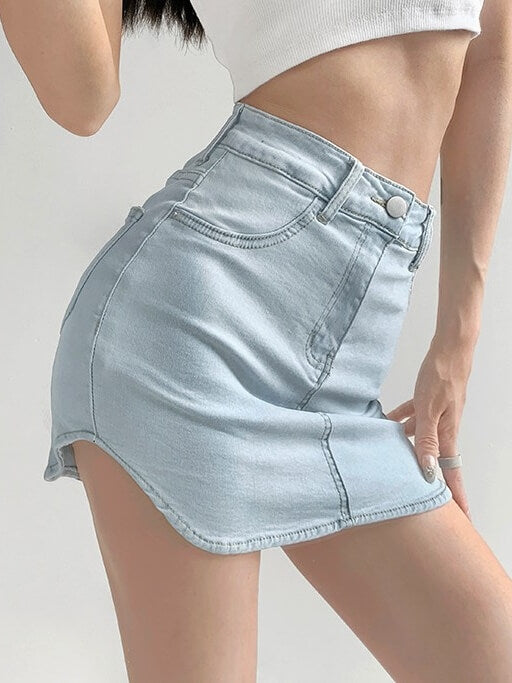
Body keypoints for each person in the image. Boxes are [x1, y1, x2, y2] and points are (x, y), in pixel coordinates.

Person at [3, 0, 511, 679]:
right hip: (193, 336)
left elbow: (493, 46)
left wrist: (459, 336)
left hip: (346, 352)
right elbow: (82, 96)